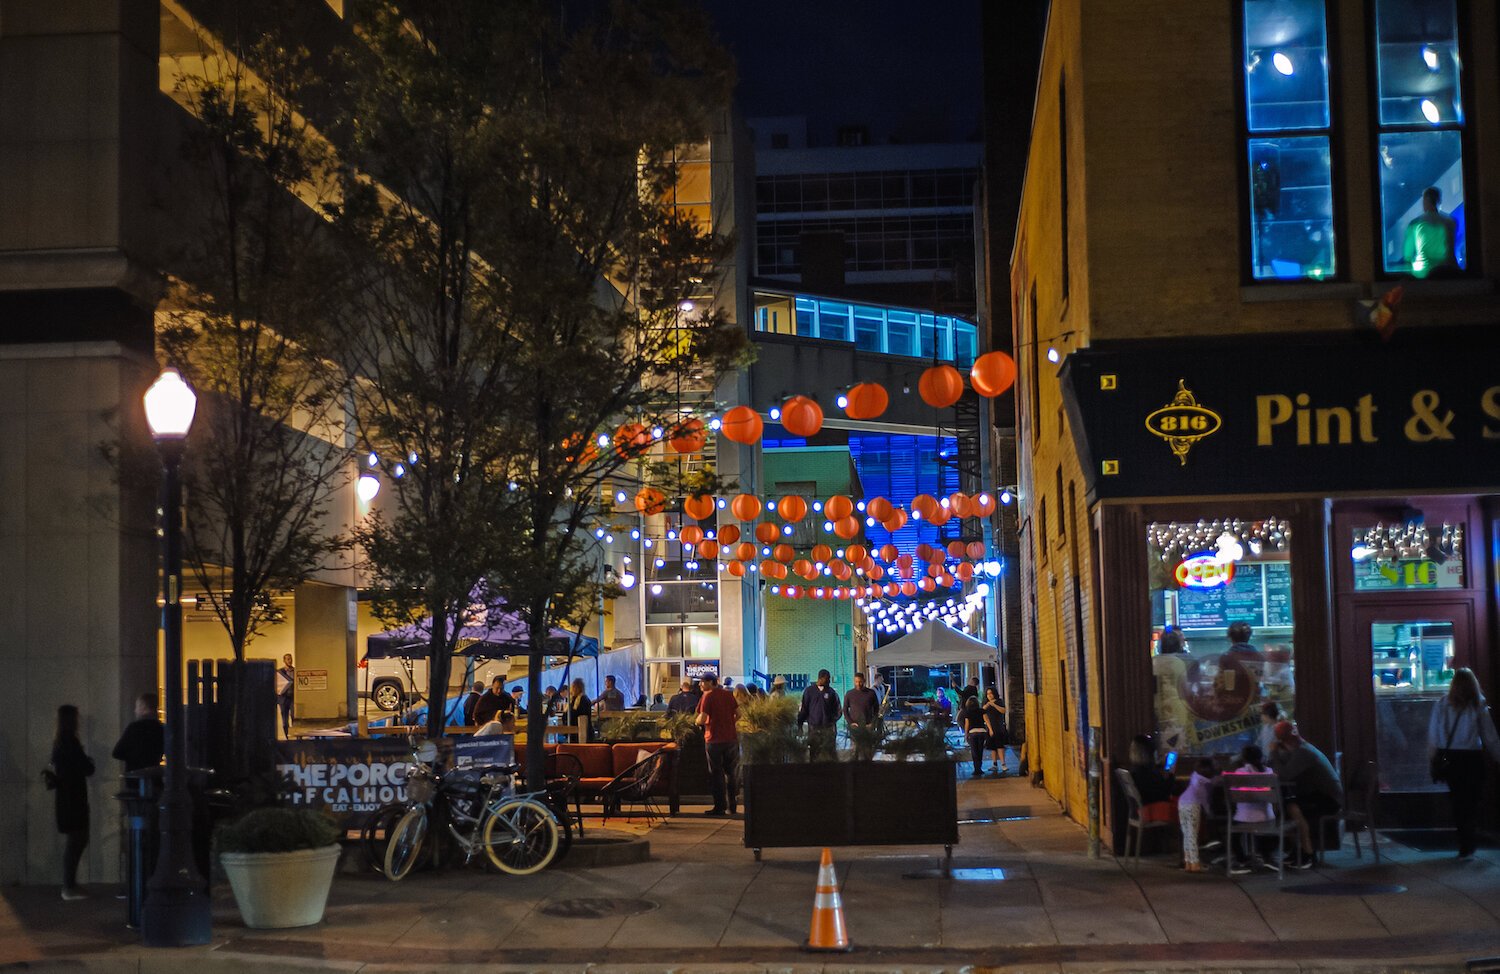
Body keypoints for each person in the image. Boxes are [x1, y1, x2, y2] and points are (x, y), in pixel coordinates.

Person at [1428, 668, 1500, 860]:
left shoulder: (1442, 704)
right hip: (1472, 759)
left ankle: (1464, 842)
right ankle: (1470, 839)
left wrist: (1433, 758)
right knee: (1472, 801)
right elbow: (1489, 737)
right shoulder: (1478, 705)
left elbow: (1434, 735)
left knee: (1458, 801)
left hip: (1451, 759)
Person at [1269, 721, 1341, 863]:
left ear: (1284, 741)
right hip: (1318, 795)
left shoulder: (1304, 752)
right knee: (1285, 807)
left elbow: (1283, 775)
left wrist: (1273, 752)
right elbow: (1281, 769)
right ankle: (1299, 850)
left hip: (1329, 799)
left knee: (1288, 807)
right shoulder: (1300, 750)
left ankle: (1306, 852)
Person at [47, 704, 94, 900]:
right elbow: (86, 768)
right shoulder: (71, 742)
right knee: (78, 839)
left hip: (66, 798)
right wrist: (88, 761)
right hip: (74, 798)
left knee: (75, 840)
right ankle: (68, 887)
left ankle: (70, 885)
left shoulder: (59, 742)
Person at [1225, 745, 1275, 873]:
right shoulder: (1269, 772)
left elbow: (1233, 790)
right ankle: (1266, 856)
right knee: (1267, 826)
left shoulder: (1239, 772)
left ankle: (1241, 859)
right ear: (1261, 757)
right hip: (1266, 817)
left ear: (1244, 758)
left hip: (1243, 818)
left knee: (1233, 833)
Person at [695, 673, 739, 816]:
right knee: (731, 773)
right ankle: (732, 805)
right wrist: (729, 723)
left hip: (713, 739)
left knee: (716, 773)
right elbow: (739, 714)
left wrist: (696, 722)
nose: (700, 685)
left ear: (711, 682)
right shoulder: (728, 695)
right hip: (731, 739)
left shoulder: (707, 696)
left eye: (703, 682)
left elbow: (702, 718)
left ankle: (719, 807)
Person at [1402, 186, 1459, 279]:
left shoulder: (1415, 223)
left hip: (1422, 273)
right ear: (1439, 201)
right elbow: (1451, 250)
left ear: (1426, 201)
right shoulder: (1451, 222)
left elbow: (1407, 256)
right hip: (1447, 273)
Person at [1177, 757, 1218, 873]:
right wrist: (1209, 812)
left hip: (1182, 802)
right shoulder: (1204, 784)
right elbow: (1204, 800)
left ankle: (1188, 862)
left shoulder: (1194, 776)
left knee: (1186, 833)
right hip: (1193, 805)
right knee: (1192, 834)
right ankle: (1195, 863)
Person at [1127, 735, 1175, 823]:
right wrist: (1171, 774)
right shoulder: (1145, 773)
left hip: (1139, 809)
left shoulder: (1135, 769)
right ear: (1148, 753)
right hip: (1150, 809)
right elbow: (1165, 793)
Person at [111, 693, 164, 772]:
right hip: (154, 775)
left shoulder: (134, 727)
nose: (135, 710)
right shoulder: (161, 728)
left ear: (143, 707)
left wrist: (133, 757)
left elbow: (117, 752)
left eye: (137, 707)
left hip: (135, 775)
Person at [797, 669, 841, 761]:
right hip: (813, 727)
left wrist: (832, 720)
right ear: (820, 678)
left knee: (829, 751)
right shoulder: (809, 691)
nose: (829, 681)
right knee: (814, 751)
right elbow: (804, 708)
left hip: (827, 728)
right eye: (827, 679)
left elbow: (838, 709)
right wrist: (800, 724)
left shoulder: (831, 692)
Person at [844, 673, 880, 759]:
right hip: (854, 727)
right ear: (854, 681)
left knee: (867, 750)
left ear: (864, 681)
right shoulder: (849, 694)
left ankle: (867, 768)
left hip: (867, 726)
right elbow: (845, 710)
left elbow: (876, 709)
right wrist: (851, 722)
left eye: (860, 682)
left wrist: (872, 722)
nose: (858, 684)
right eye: (856, 682)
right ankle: (854, 769)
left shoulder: (871, 693)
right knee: (854, 751)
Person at [981, 687, 1009, 775]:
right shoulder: (986, 703)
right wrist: (989, 728)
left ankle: (1003, 764)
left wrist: (994, 705)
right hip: (990, 727)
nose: (989, 695)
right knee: (992, 747)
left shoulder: (999, 701)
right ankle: (994, 764)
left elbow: (1003, 710)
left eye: (991, 693)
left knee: (1000, 746)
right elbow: (983, 713)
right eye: (988, 694)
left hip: (999, 726)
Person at [960, 697, 989, 777]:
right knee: (980, 751)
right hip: (982, 732)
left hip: (972, 733)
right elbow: (987, 720)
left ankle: (976, 769)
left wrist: (966, 734)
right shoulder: (982, 711)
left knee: (974, 751)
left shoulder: (967, 712)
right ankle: (979, 768)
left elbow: (967, 724)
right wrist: (990, 730)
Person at [275, 654, 295, 738]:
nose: (290, 661)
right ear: (284, 661)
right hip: (283, 698)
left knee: (294, 716)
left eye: (290, 659)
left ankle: (295, 735)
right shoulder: (280, 672)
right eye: (288, 659)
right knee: (284, 719)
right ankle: (287, 736)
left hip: (293, 698)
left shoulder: (295, 671)